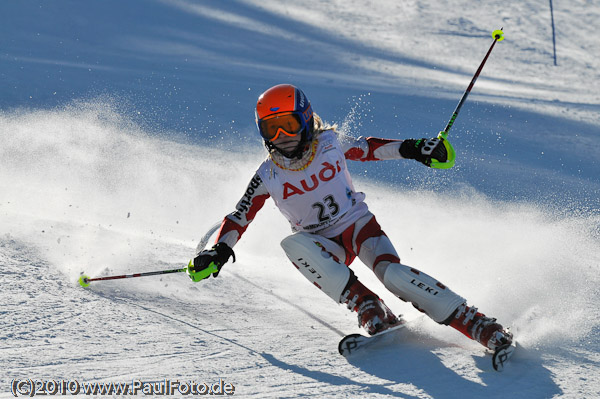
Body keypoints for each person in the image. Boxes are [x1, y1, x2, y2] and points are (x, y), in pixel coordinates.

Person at [189, 84, 512, 351]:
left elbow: (369, 148)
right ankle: (366, 304)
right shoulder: (268, 175)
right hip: (322, 244)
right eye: (272, 129)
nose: (282, 135)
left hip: (358, 227)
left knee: (393, 276)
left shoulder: (329, 144)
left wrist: (415, 149)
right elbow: (240, 215)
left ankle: (474, 321)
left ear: (305, 120)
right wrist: (218, 250)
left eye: (289, 124)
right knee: (294, 245)